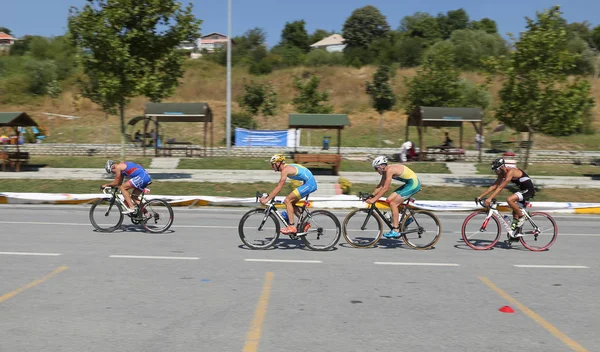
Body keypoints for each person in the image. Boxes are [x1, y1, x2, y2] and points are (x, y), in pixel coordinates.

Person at [476, 157, 535, 238]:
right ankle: (515, 235)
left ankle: (522, 216)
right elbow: (494, 186)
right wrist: (480, 196)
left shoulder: (511, 172)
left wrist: (489, 199)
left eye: (497, 170)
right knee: (515, 212)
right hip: (522, 190)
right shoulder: (502, 174)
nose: (496, 172)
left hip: (528, 190)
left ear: (502, 167)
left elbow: (500, 187)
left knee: (509, 199)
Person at [259, 154, 318, 234]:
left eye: (273, 165)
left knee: (287, 200)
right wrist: (269, 196)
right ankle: (305, 223)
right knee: (291, 203)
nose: (272, 167)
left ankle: (292, 226)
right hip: (307, 183)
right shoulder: (287, 167)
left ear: (278, 163)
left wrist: (267, 199)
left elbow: (279, 187)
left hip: (309, 184)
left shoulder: (285, 170)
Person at [366, 156, 422, 239]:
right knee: (389, 200)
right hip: (408, 184)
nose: (376, 171)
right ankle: (406, 218)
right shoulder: (385, 171)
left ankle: (396, 230)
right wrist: (371, 195)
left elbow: (385, 188)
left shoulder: (390, 170)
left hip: (414, 184)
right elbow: (381, 185)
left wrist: (374, 199)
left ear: (382, 166)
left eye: (376, 168)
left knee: (393, 203)